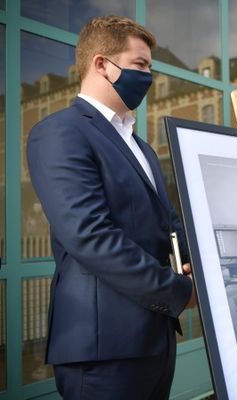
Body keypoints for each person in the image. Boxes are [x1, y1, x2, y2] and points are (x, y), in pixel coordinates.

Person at [26, 15, 195, 399]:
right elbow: (90, 235)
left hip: (156, 340)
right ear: (101, 64)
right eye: (140, 65)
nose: (148, 77)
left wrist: (195, 264)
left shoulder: (142, 147)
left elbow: (167, 222)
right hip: (104, 350)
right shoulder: (60, 132)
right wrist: (178, 291)